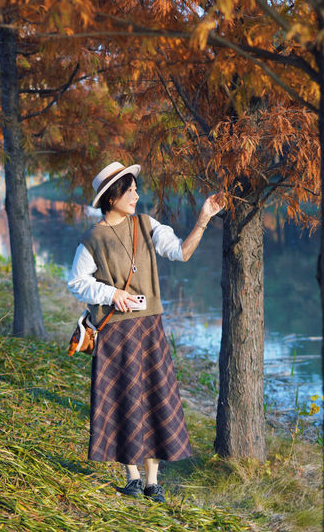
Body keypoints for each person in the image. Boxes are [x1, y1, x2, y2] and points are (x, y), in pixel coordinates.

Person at [68, 160, 224, 502]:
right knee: (125, 399)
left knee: (154, 397)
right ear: (112, 196)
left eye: (136, 188)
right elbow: (77, 283)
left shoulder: (146, 224)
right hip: (116, 335)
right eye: (130, 189)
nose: (137, 194)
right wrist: (112, 294)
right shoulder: (92, 239)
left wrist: (203, 220)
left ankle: (152, 481)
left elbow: (180, 253)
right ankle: (133, 477)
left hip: (150, 327)